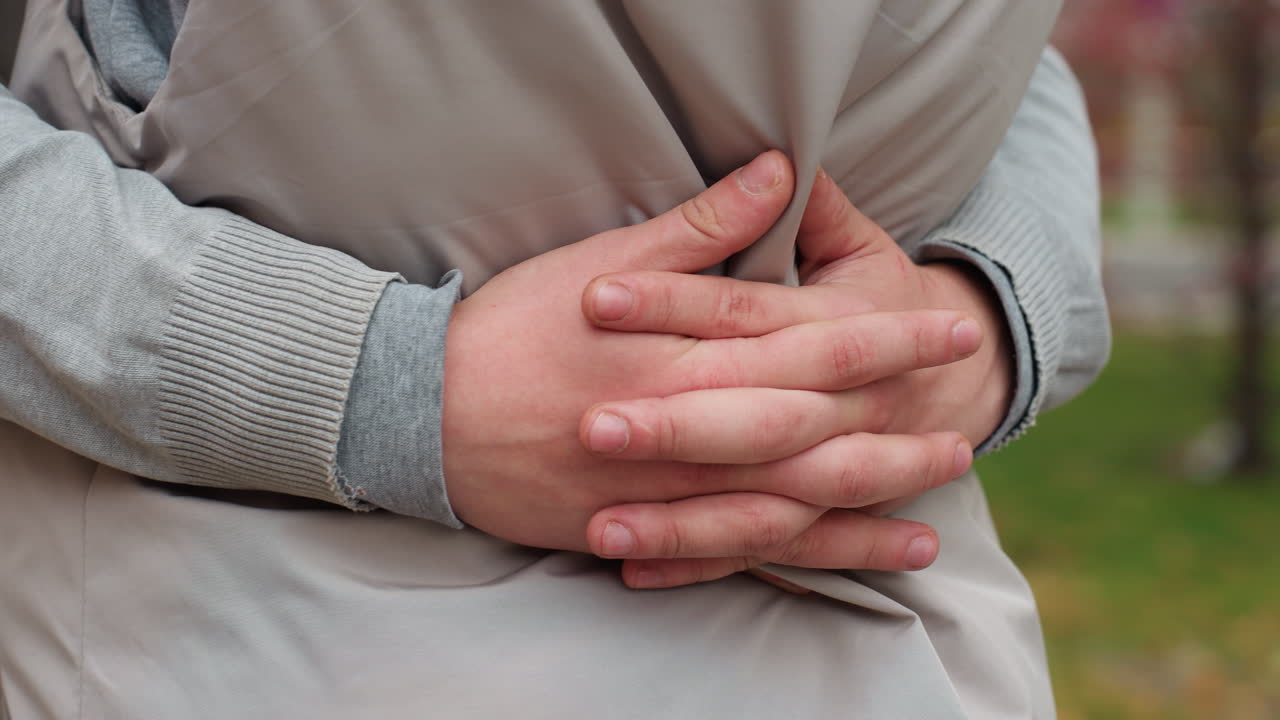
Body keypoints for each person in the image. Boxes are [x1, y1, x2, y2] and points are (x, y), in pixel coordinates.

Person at [0, 1, 1109, 717]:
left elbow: (1019, 62)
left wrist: (971, 320)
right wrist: (385, 386)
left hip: (891, 642)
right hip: (270, 620)